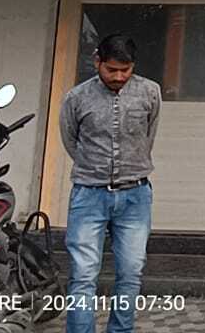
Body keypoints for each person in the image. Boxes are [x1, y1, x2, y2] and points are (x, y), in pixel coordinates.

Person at [60, 34, 161, 333]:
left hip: (135, 195)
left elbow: (148, 136)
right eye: (111, 70)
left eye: (125, 70)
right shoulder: (77, 98)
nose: (118, 77)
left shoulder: (150, 92)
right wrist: (95, 167)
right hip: (88, 195)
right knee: (82, 275)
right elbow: (70, 140)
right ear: (97, 62)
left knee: (131, 272)